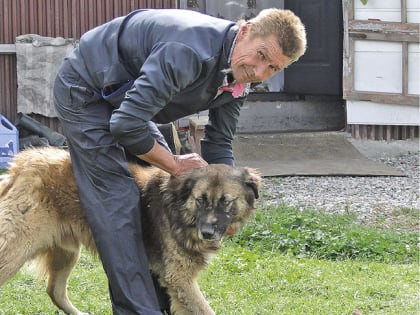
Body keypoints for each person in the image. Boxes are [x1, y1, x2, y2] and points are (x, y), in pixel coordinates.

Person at [53, 8, 306, 315]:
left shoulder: (239, 77)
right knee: (117, 202)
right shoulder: (188, 52)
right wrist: (173, 164)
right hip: (87, 91)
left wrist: (231, 196)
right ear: (246, 31)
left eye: (273, 68)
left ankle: (165, 305)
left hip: (129, 103)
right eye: (261, 55)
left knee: (158, 194)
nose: (259, 70)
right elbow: (125, 125)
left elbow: (219, 144)